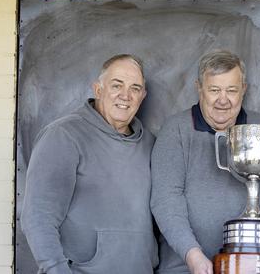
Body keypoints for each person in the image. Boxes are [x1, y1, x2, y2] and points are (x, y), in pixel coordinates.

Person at [151, 49, 260, 274]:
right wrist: (192, 254)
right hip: (185, 268)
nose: (223, 99)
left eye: (231, 90)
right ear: (199, 88)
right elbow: (166, 200)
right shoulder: (175, 131)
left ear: (243, 89)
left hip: (256, 269)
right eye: (214, 90)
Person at [21, 54, 158, 274]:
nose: (125, 95)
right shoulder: (64, 136)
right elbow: (38, 217)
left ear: (143, 96)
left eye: (135, 88)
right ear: (98, 89)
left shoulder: (150, 144)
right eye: (116, 85)